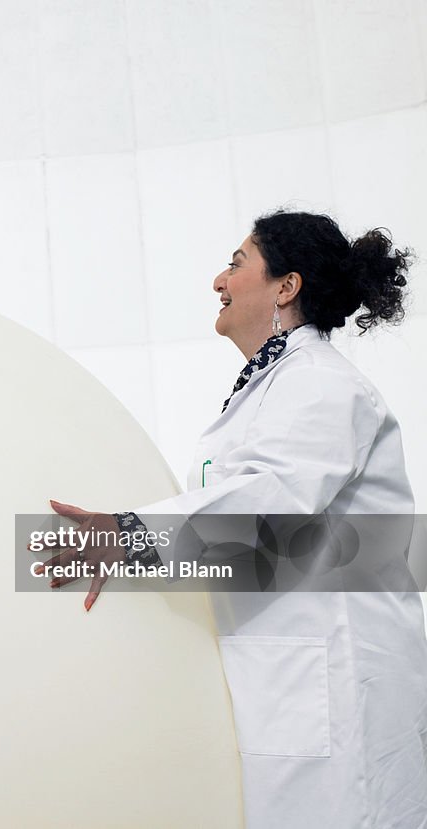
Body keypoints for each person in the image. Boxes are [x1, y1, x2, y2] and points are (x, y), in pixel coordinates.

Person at [41, 210, 427, 827]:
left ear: (286, 286)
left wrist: (125, 536)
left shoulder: (324, 385)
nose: (219, 279)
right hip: (292, 677)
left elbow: (269, 504)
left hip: (338, 677)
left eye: (237, 262)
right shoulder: (277, 384)